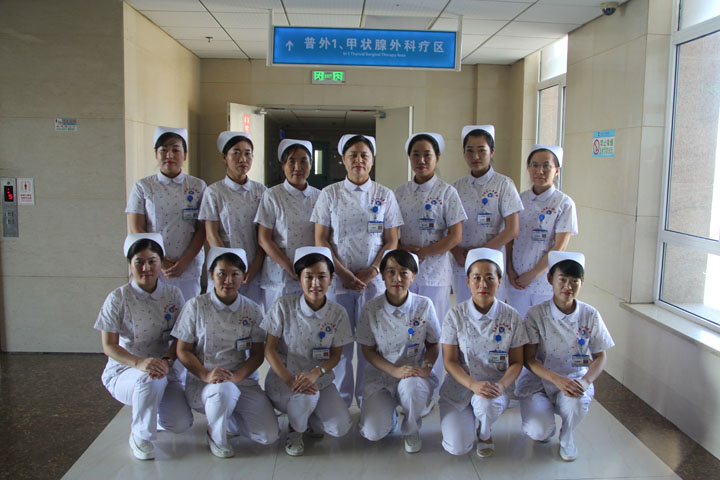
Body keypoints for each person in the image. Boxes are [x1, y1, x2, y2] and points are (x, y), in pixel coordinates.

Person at [311, 134, 404, 407]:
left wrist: (372, 271)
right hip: (337, 282)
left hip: (373, 283)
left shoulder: (385, 195)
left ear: (372, 160)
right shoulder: (330, 194)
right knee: (338, 343)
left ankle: (368, 399)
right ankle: (339, 401)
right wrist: (342, 273)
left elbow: (391, 241)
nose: (359, 160)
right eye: (353, 155)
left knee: (370, 343)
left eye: (365, 155)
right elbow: (321, 239)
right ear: (343, 159)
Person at [172, 247, 279, 458]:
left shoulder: (251, 310)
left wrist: (238, 376)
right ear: (211, 275)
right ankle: (216, 436)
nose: (228, 280)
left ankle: (226, 419)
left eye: (234, 274)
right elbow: (182, 350)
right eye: (222, 273)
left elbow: (257, 353)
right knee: (223, 391)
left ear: (243, 277)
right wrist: (205, 374)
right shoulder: (195, 306)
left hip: (241, 380)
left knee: (268, 435)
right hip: (205, 382)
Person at [94, 233, 193, 460]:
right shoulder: (118, 298)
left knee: (180, 424)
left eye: (152, 261)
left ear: (161, 263)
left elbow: (181, 336)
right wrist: (139, 363)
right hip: (127, 371)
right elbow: (109, 346)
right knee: (150, 378)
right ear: (130, 264)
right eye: (139, 261)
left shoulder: (173, 294)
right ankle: (140, 436)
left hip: (166, 369)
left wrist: (167, 360)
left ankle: (150, 408)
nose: (146, 268)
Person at [516, 251, 614, 461]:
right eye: (562, 280)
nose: (568, 286)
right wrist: (556, 379)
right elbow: (529, 359)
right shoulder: (536, 314)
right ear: (550, 279)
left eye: (574, 281)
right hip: (539, 382)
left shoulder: (590, 315)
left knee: (575, 402)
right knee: (539, 431)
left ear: (582, 282)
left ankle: (567, 437)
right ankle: (546, 425)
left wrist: (585, 381)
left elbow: (600, 356)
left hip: (574, 378)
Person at [394, 133, 466, 413]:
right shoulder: (399, 192)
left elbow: (455, 235)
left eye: (427, 154)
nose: (421, 160)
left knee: (432, 332)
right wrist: (402, 249)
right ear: (409, 158)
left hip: (435, 274)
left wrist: (422, 253)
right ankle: (406, 385)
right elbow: (391, 232)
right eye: (416, 154)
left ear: (437, 158)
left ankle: (430, 390)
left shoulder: (447, 193)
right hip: (403, 274)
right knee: (405, 329)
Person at [262, 246, 353, 457]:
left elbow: (336, 355)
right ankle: (295, 431)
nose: (315, 283)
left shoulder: (338, 313)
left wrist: (316, 373)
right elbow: (269, 349)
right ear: (298, 279)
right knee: (305, 398)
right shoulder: (283, 306)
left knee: (340, 427)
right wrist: (289, 380)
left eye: (322, 276)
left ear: (331, 279)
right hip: (285, 379)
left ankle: (305, 419)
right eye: (308, 277)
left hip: (319, 378)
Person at [440, 248, 528, 457]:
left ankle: (485, 431)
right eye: (477, 278)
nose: (483, 284)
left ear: (499, 281)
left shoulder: (512, 316)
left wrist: (502, 385)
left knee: (485, 405)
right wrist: (472, 384)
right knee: (458, 447)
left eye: (490, 278)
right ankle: (467, 418)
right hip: (460, 386)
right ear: (468, 281)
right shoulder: (455, 315)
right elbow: (450, 361)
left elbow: (517, 361)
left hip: (494, 388)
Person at [356, 249, 440, 453]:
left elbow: (434, 343)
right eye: (391, 272)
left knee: (412, 389)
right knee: (373, 432)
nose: (397, 278)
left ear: (413, 276)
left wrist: (427, 366)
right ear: (383, 275)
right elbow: (368, 350)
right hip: (382, 376)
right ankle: (389, 413)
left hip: (413, 374)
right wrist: (394, 371)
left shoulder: (423, 305)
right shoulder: (371, 309)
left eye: (404, 272)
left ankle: (411, 428)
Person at [126, 126, 206, 302]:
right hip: (152, 265)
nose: (169, 155)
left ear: (185, 155)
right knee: (154, 312)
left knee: (187, 312)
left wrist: (185, 261)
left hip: (188, 266)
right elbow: (136, 227)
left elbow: (202, 229)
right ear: (156, 154)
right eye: (164, 150)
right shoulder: (143, 187)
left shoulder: (198, 186)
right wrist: (159, 260)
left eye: (175, 150)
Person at [450, 125, 522, 304]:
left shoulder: (504, 184)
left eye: (481, 150)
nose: (475, 156)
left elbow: (512, 229)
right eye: (470, 150)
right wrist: (455, 251)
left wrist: (480, 253)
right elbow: (446, 227)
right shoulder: (456, 187)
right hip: (462, 262)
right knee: (463, 310)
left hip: (492, 262)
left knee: (492, 312)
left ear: (492, 151)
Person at [505, 144, 578, 318]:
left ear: (557, 171)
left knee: (542, 327)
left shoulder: (564, 204)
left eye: (546, 166)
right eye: (535, 165)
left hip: (544, 282)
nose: (540, 171)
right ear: (528, 168)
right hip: (516, 280)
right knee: (517, 327)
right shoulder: (519, 200)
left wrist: (532, 275)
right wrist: (510, 270)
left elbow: (559, 247)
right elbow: (509, 239)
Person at [199, 131, 266, 305]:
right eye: (236, 153)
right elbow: (211, 234)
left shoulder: (261, 191)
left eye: (247, 153)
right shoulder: (214, 192)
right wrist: (230, 268)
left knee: (251, 313)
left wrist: (255, 267)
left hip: (253, 269)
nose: (243, 159)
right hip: (224, 269)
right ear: (224, 157)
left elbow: (264, 235)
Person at [256, 139, 321, 312]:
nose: (297, 167)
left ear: (311, 163)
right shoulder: (272, 196)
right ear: (283, 165)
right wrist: (289, 267)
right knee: (278, 321)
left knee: (308, 320)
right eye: (291, 161)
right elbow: (264, 239)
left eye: (303, 161)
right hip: (279, 273)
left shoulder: (320, 196)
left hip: (311, 272)